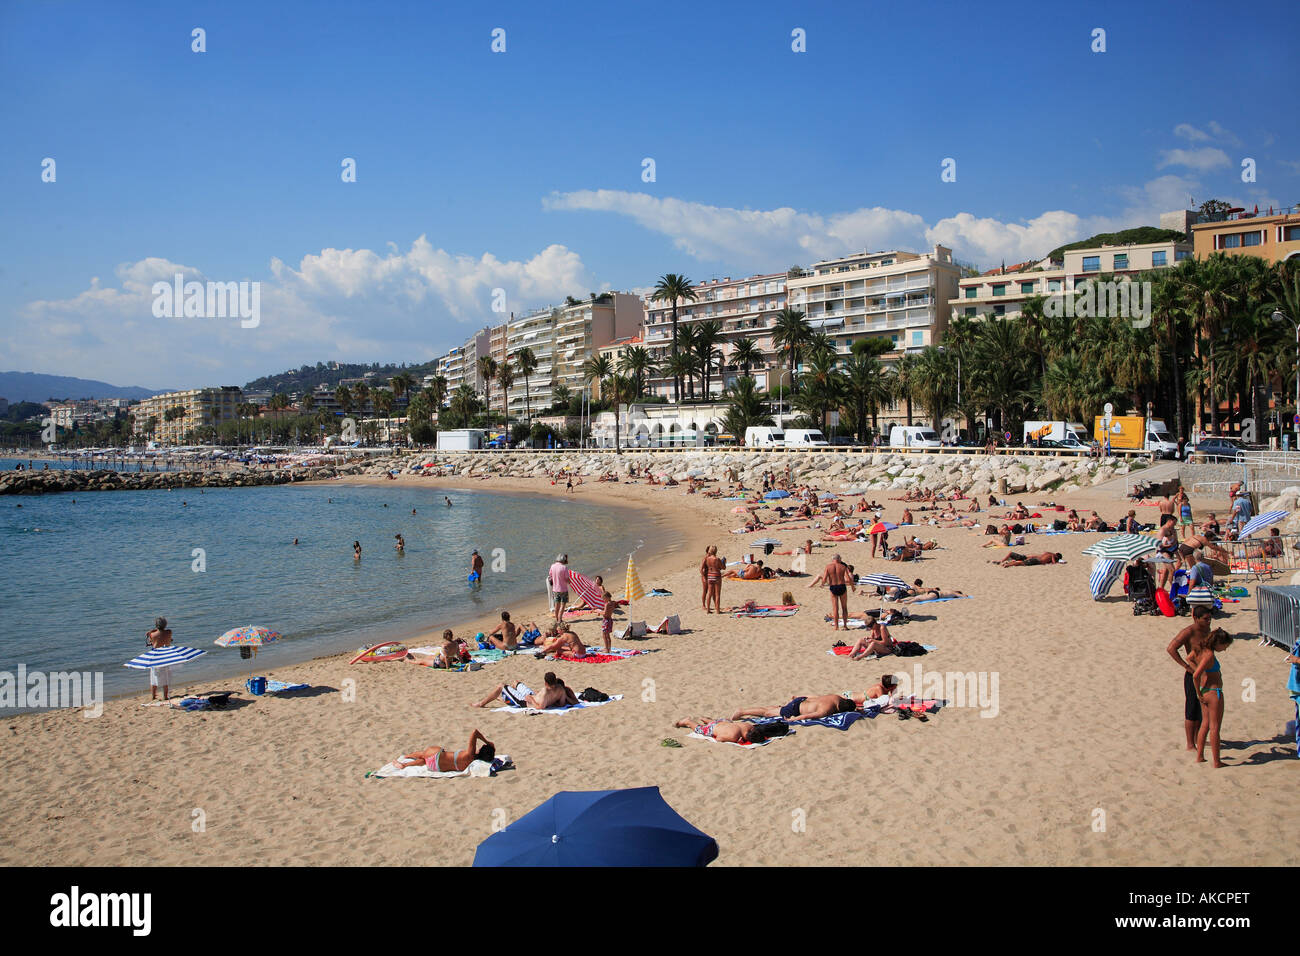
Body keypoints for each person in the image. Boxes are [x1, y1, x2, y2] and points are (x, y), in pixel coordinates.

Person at [1166, 606, 1213, 751]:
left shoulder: (1208, 630)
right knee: (1191, 708)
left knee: (1203, 706)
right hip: (1193, 674)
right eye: (1205, 619)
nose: (1208, 621)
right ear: (1196, 618)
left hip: (1206, 672)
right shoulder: (1189, 631)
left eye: (1209, 618)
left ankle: (1197, 738)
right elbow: (1171, 648)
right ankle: (1190, 743)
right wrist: (1186, 666)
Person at [1192, 628, 1232, 768]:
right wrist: (1197, 693)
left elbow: (1190, 658)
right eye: (1225, 646)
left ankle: (1200, 756)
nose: (1225, 649)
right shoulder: (1208, 655)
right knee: (1215, 728)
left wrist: (1200, 691)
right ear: (1218, 643)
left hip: (1205, 691)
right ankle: (1216, 761)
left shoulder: (1200, 649)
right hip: (1214, 692)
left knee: (1205, 724)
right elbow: (1195, 675)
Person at [393, 729, 495, 772]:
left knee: (424, 754)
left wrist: (487, 741)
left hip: (436, 756)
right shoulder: (472, 762)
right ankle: (405, 764)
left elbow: (474, 732)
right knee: (425, 761)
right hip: (436, 767)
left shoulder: (470, 754)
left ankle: (406, 758)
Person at [729, 692, 866, 722]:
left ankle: (745, 711)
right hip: (796, 709)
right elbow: (808, 716)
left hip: (803, 699)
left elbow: (817, 696)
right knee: (768, 714)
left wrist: (801, 695)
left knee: (775, 708)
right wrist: (793, 720)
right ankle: (742, 712)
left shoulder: (837, 697)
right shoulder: (827, 710)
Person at [474, 672, 577, 709]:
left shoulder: (545, 691)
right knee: (516, 682)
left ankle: (481, 703)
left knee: (501, 686)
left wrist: (531, 700)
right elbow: (562, 704)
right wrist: (551, 701)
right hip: (531, 695)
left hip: (524, 701)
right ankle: (505, 698)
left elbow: (540, 707)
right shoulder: (561, 689)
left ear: (546, 683)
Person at [672, 717, 781, 744]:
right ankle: (687, 722)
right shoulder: (733, 736)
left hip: (723, 721)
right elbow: (718, 738)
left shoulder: (748, 726)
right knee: (698, 729)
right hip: (713, 728)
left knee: (719, 723)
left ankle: (706, 719)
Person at [823, 554, 855, 630]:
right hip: (842, 586)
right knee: (844, 607)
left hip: (833, 587)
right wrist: (852, 587)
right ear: (839, 559)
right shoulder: (843, 567)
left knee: (835, 608)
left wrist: (822, 584)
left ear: (833, 559)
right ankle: (845, 626)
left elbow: (824, 578)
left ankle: (836, 626)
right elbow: (848, 579)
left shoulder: (828, 567)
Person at [145, 616, 174, 701]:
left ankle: (153, 696)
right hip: (165, 655)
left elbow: (151, 637)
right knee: (166, 677)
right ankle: (165, 696)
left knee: (154, 677)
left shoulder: (152, 634)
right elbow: (165, 632)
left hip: (155, 657)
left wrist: (151, 631)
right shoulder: (169, 632)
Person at [548, 553, 570, 623]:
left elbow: (550, 575)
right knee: (563, 605)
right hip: (563, 589)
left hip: (555, 589)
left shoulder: (552, 566)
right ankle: (560, 619)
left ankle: (557, 618)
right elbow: (567, 579)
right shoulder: (564, 567)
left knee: (557, 605)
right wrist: (570, 581)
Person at [702, 545, 724, 614]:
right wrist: (724, 562)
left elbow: (706, 567)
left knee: (709, 593)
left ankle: (708, 609)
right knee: (717, 594)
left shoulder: (707, 559)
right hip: (716, 576)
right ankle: (717, 610)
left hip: (710, 576)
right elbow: (723, 567)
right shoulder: (717, 559)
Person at [992, 551, 1062, 567]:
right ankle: (1007, 565)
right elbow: (1053, 562)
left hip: (1036, 559)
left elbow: (1044, 554)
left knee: (1021, 562)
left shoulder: (1048, 553)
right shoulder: (1053, 556)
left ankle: (1008, 563)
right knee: (1022, 563)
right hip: (1037, 561)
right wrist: (1057, 561)